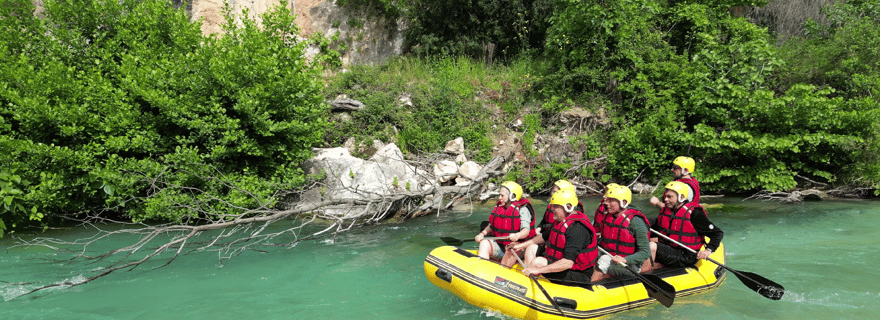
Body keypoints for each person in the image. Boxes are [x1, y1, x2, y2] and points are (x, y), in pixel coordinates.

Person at [506, 189, 598, 284]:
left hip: (578, 274)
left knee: (538, 263)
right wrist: (520, 246)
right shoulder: (561, 222)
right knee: (531, 248)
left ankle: (526, 283)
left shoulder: (577, 229)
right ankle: (527, 281)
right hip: (559, 262)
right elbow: (543, 237)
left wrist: (538, 270)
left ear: (568, 207)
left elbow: (567, 263)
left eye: (555, 206)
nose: (552, 209)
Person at [506, 180, 584, 268]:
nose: (552, 194)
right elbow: (546, 228)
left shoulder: (576, 225)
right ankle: (527, 274)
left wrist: (537, 270)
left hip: (566, 261)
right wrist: (522, 245)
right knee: (529, 248)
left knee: (537, 261)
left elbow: (569, 260)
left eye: (555, 192)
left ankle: (532, 272)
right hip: (551, 245)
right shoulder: (559, 218)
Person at [648, 181, 723, 270]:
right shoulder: (667, 211)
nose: (665, 200)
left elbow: (717, 233)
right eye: (665, 196)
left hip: (686, 256)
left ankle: (645, 273)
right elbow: (658, 227)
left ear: (681, 197)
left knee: (651, 246)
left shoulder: (694, 213)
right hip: (670, 249)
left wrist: (708, 250)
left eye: (669, 197)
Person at [591, 185, 651, 282]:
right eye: (607, 200)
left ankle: (589, 289)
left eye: (611, 201)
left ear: (623, 203)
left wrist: (625, 259)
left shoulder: (636, 222)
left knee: (604, 261)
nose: (606, 203)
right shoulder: (607, 217)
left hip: (629, 266)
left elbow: (645, 252)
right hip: (611, 257)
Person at [475, 181, 535, 261]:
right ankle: (482, 268)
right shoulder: (501, 207)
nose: (499, 198)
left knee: (512, 247)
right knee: (484, 243)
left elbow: (526, 231)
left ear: (512, 196)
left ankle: (503, 268)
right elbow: (491, 225)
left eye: (502, 195)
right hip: (501, 246)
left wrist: (517, 235)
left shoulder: (523, 209)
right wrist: (482, 234)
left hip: (518, 248)